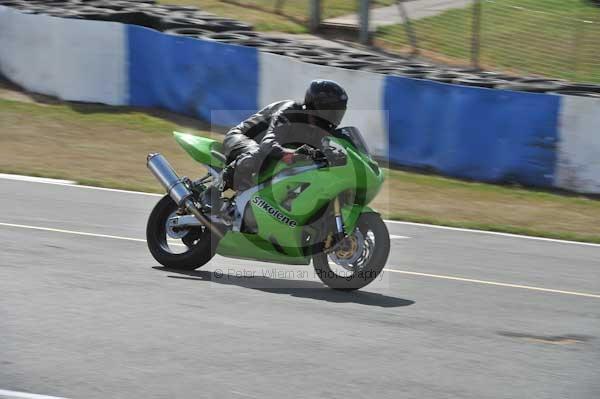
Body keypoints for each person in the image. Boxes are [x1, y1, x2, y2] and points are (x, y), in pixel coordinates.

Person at [219, 79, 348, 192]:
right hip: (241, 138)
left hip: (268, 147)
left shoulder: (321, 128)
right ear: (318, 106)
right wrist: (295, 155)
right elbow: (268, 144)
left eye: (339, 111)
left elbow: (319, 151)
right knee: (259, 152)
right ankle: (214, 190)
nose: (336, 115)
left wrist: (334, 155)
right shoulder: (290, 112)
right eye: (333, 111)